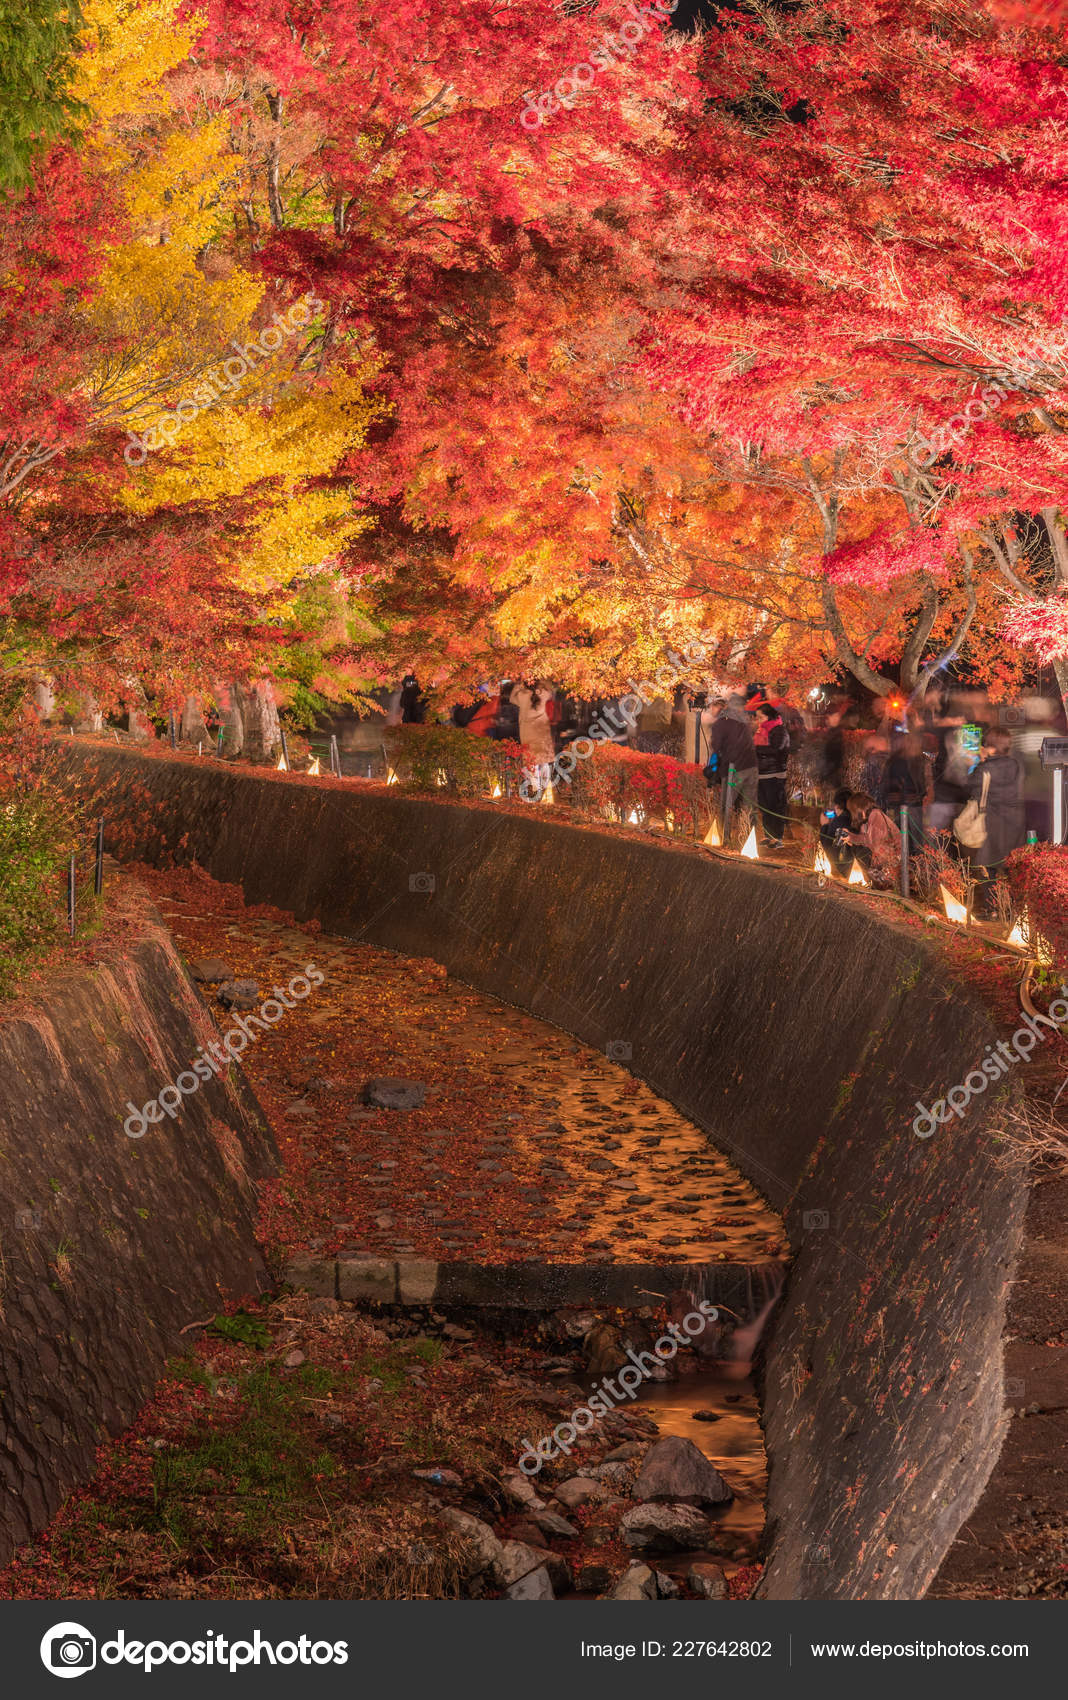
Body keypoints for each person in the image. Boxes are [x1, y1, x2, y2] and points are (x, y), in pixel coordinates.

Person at [968, 727, 1025, 915]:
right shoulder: (1015, 765)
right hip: (1015, 821)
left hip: (992, 821)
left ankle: (992, 907)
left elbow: (973, 792)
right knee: (1011, 867)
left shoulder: (985, 768)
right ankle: (1014, 908)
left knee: (986, 865)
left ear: (989, 744)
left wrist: (980, 762)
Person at [704, 694, 760, 822]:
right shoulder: (742, 721)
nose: (710, 710)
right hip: (752, 767)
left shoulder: (721, 723)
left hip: (734, 769)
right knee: (749, 807)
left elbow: (716, 748)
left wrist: (711, 770)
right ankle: (748, 837)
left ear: (717, 706)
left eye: (710, 707)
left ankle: (724, 837)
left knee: (726, 806)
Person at [840, 791, 902, 886]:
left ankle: (880, 882)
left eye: (852, 811)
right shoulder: (866, 822)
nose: (852, 814)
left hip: (892, 862)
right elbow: (865, 839)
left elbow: (874, 843)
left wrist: (852, 837)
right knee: (857, 849)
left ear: (859, 808)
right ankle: (873, 882)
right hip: (884, 860)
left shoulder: (876, 815)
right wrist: (850, 837)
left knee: (860, 850)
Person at [883, 730, 930, 853]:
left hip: (910, 804)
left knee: (912, 839)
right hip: (902, 804)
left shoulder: (916, 760)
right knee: (906, 838)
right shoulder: (897, 761)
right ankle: (908, 866)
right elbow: (890, 782)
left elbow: (922, 781)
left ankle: (913, 866)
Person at [754, 702, 790, 847]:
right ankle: (768, 836)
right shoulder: (761, 730)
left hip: (774, 774)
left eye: (760, 717)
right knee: (764, 806)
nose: (758, 720)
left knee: (775, 805)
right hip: (761, 773)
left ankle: (777, 837)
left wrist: (756, 749)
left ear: (769, 717)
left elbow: (777, 749)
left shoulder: (779, 730)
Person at [512, 681, 556, 767]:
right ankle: (545, 780)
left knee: (531, 760)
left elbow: (512, 699)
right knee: (544, 761)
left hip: (527, 731)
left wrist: (518, 686)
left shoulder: (522, 695)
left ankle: (534, 780)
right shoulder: (544, 694)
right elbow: (550, 690)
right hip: (542, 729)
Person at [819, 787, 853, 871]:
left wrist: (824, 826)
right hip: (851, 865)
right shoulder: (854, 819)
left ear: (837, 805)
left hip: (840, 870)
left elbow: (828, 847)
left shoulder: (838, 822)